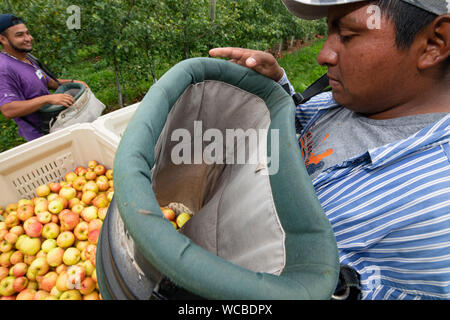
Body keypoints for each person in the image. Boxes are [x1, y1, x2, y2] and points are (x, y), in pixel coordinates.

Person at [210, 0, 449, 300]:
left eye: (348, 35)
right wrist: (277, 89)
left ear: (433, 44)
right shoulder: (347, 103)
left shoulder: (431, 218)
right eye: (328, 33)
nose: (324, 55)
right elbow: (297, 127)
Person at [0, 14, 88, 141]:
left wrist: (73, 83)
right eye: (20, 35)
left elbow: (47, 82)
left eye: (28, 33)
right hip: (40, 137)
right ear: (2, 39)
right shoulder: (4, 68)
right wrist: (48, 99)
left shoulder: (26, 57)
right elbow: (8, 109)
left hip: (56, 126)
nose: (28, 38)